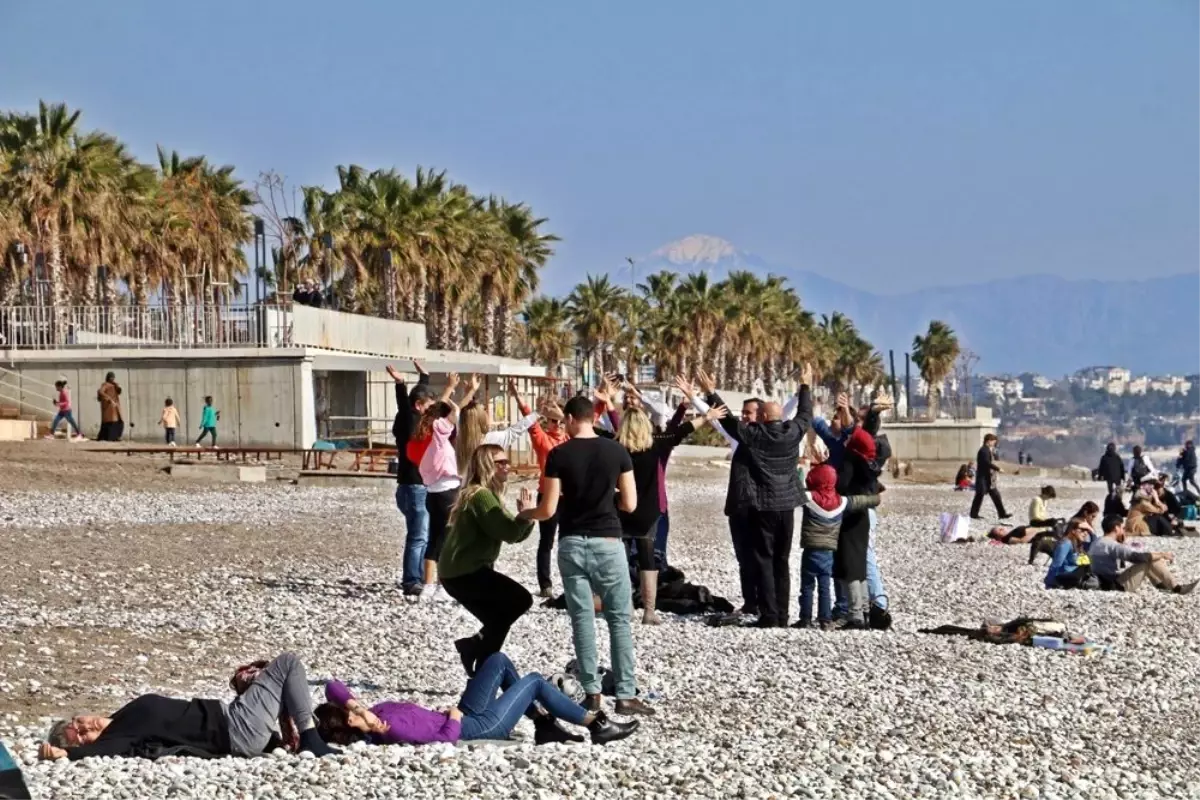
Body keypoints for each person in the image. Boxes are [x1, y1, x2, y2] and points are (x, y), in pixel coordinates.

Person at [517, 395, 654, 716]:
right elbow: (630, 504)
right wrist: (610, 496)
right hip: (608, 540)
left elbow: (548, 509)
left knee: (582, 620)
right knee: (619, 620)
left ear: (567, 418)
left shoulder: (559, 454)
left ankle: (591, 692)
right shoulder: (617, 451)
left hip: (572, 542)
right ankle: (624, 695)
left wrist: (525, 513)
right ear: (594, 417)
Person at [38, 653, 338, 761]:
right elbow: (105, 750)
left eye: (79, 722)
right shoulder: (120, 736)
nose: (86, 727)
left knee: (260, 676)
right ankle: (310, 738)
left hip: (234, 723)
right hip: (236, 730)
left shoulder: (121, 718)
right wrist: (68, 753)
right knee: (287, 663)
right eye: (82, 735)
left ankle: (297, 736)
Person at [316, 652, 637, 747]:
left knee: (497, 660)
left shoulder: (374, 713)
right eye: (354, 712)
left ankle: (544, 725)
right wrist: (453, 718)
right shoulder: (392, 731)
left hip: (460, 713)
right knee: (536, 681)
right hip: (478, 726)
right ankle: (595, 725)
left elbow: (333, 686)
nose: (360, 708)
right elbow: (444, 740)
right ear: (350, 725)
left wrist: (358, 708)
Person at [701, 367, 813, 629]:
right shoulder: (792, 432)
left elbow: (729, 421)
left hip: (764, 505)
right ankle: (783, 615)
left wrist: (710, 393)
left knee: (764, 558)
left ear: (762, 417)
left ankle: (770, 615)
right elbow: (806, 414)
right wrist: (805, 386)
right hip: (787, 506)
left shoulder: (755, 435)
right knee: (782, 561)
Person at [608, 399, 724, 624]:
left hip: (622, 507)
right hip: (648, 511)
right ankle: (649, 611)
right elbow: (681, 430)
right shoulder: (657, 443)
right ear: (645, 425)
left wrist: (605, 405)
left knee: (620, 558)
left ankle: (627, 607)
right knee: (647, 558)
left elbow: (591, 431)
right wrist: (706, 417)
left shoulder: (615, 446)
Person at [440, 444, 536, 676]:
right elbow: (510, 532)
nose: (507, 466)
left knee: (499, 618)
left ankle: (481, 664)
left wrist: (527, 517)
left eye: (507, 461)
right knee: (520, 600)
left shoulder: (486, 494)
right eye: (500, 462)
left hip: (461, 572)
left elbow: (515, 533)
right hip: (463, 572)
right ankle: (475, 652)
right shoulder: (480, 496)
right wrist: (526, 515)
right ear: (485, 466)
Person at [796, 463, 879, 630]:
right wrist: (876, 498)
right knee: (825, 587)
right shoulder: (841, 502)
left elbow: (796, 490)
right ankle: (825, 619)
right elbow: (860, 501)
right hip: (829, 553)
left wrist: (797, 471)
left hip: (811, 551)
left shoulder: (810, 498)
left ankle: (805, 618)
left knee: (807, 586)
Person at [416, 373, 467, 601]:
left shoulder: (425, 433)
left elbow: (441, 412)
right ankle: (442, 587)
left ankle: (429, 586)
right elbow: (451, 414)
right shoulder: (438, 434)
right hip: (447, 492)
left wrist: (453, 392)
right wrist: (449, 390)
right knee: (447, 540)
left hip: (433, 492)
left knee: (435, 538)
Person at [389, 361, 434, 595]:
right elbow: (407, 406)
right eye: (429, 406)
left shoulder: (416, 420)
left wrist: (424, 377)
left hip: (416, 487)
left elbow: (418, 400)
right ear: (418, 406)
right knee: (418, 536)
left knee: (421, 534)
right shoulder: (408, 422)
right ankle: (411, 581)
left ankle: (415, 576)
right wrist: (400, 384)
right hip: (413, 487)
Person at [1089, 515, 1197, 594]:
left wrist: (1158, 554)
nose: (1123, 530)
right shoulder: (1112, 545)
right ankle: (1177, 588)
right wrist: (1162, 555)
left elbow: (1123, 560)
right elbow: (1137, 558)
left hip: (1103, 581)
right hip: (1114, 586)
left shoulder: (1097, 542)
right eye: (1122, 527)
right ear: (1116, 528)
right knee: (1148, 560)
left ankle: (1162, 585)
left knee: (1150, 558)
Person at [454, 378, 539, 476]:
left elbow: (460, 413)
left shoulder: (459, 437)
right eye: (485, 410)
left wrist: (470, 393)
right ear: (481, 420)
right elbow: (515, 431)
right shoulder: (490, 439)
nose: (487, 412)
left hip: (463, 487)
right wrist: (538, 412)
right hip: (484, 487)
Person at [529, 399, 569, 597]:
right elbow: (531, 424)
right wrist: (522, 402)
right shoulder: (542, 439)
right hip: (547, 494)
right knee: (546, 541)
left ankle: (570, 582)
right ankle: (545, 585)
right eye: (554, 421)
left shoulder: (570, 438)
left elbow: (590, 418)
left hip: (569, 496)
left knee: (569, 540)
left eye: (561, 421)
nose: (559, 425)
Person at [969, 433, 1009, 520]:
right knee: (979, 496)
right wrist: (998, 469)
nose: (994, 443)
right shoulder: (983, 450)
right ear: (989, 441)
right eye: (994, 441)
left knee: (996, 496)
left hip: (988, 479)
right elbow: (987, 463)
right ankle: (973, 514)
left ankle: (1002, 514)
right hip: (983, 478)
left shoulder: (986, 450)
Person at [1044, 520, 1093, 589]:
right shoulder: (1066, 543)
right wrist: (1050, 584)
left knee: (1091, 562)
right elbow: (1056, 564)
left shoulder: (1078, 545)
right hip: (1064, 579)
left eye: (1087, 531)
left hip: (1074, 578)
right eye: (1082, 530)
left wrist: (1091, 530)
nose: (1085, 533)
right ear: (1073, 530)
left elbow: (1095, 545)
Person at [96, 372, 123, 442]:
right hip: (109, 407)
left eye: (113, 377)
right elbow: (101, 392)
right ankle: (110, 437)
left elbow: (119, 392)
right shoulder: (105, 385)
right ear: (108, 377)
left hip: (116, 406)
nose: (112, 378)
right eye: (111, 377)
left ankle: (116, 436)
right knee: (111, 422)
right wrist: (109, 399)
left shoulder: (114, 385)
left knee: (119, 422)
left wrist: (117, 386)